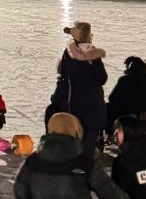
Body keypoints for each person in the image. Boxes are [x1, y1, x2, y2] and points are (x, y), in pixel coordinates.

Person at [46, 21, 108, 160]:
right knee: (90, 134)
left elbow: (63, 75)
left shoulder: (68, 53)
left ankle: (69, 161)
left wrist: (58, 98)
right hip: (92, 105)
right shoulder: (93, 53)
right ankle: (84, 165)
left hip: (73, 103)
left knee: (72, 135)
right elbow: (102, 78)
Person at [107, 57, 146, 127]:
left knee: (108, 108)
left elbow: (112, 99)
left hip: (133, 118)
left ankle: (110, 134)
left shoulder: (125, 80)